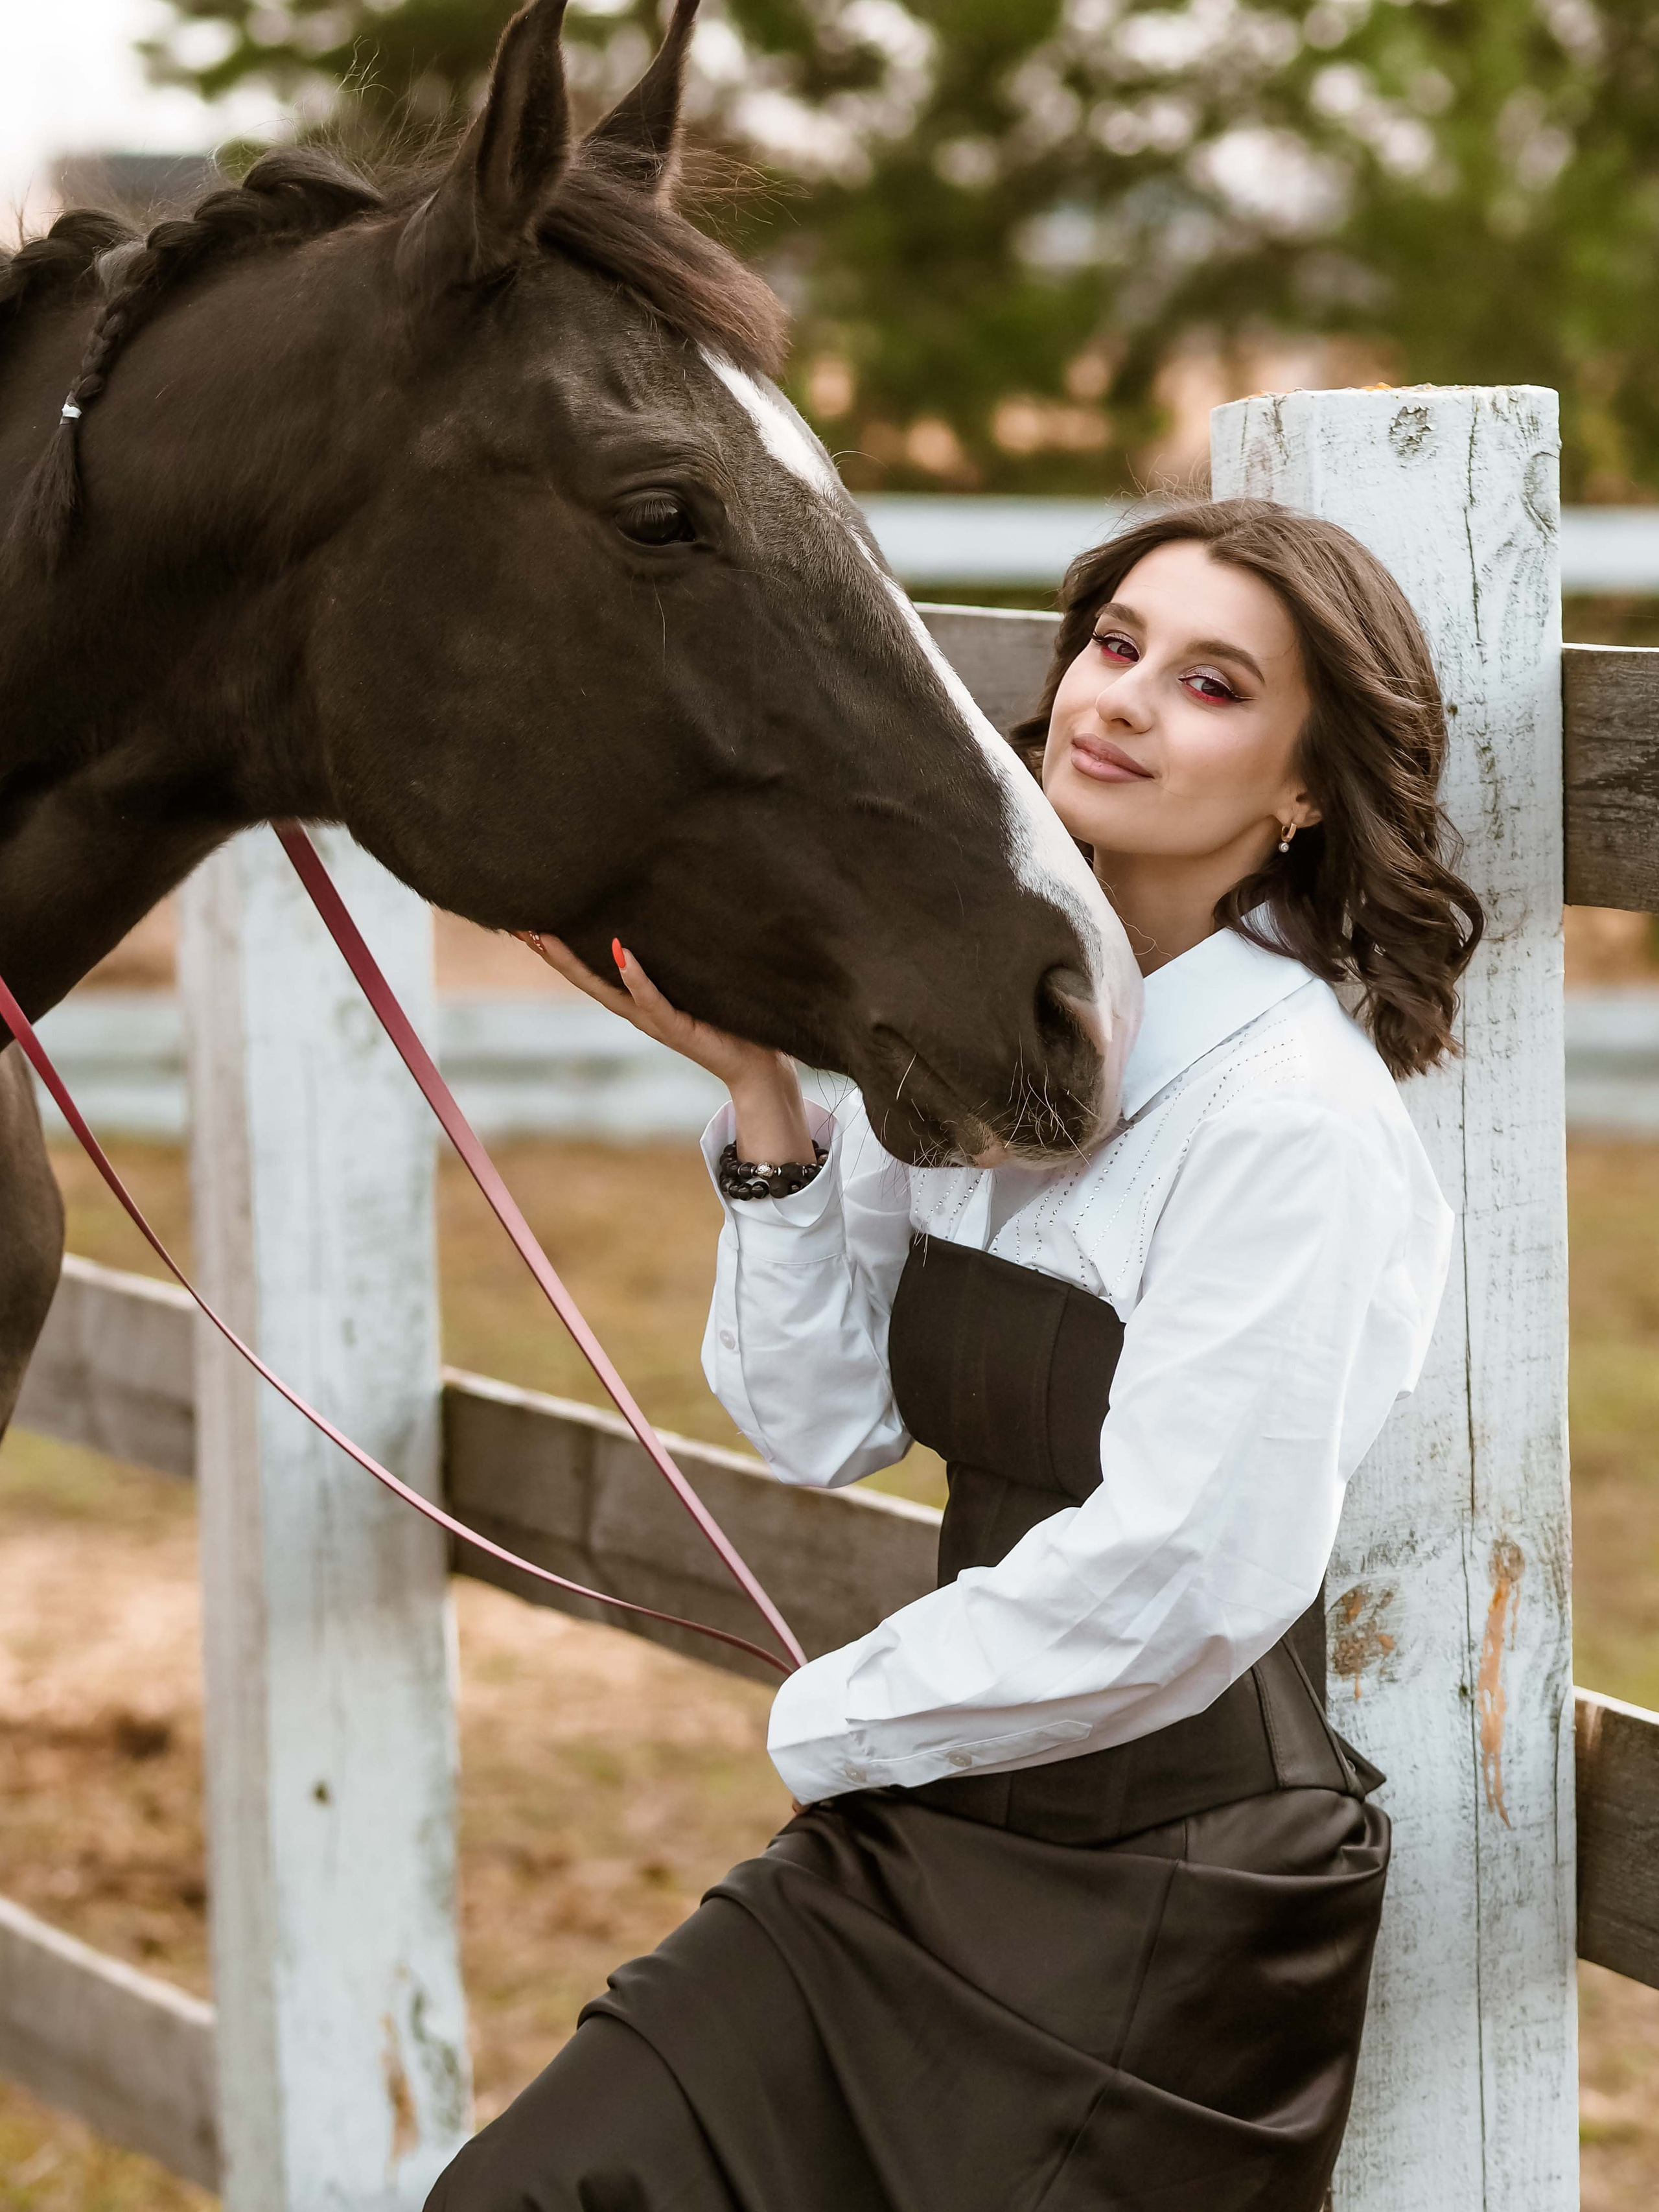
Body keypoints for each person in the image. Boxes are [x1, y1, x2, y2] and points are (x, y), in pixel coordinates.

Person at [428, 496, 1483, 2212]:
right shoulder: (967, 1016)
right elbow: (824, 1419)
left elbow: (1190, 1574)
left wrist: (838, 1714)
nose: (1122, 698)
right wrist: (768, 1102)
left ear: (1303, 791)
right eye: (1117, 645)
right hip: (938, 1806)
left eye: (1213, 684)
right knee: (530, 2193)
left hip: (1165, 1887)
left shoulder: (1289, 1123)